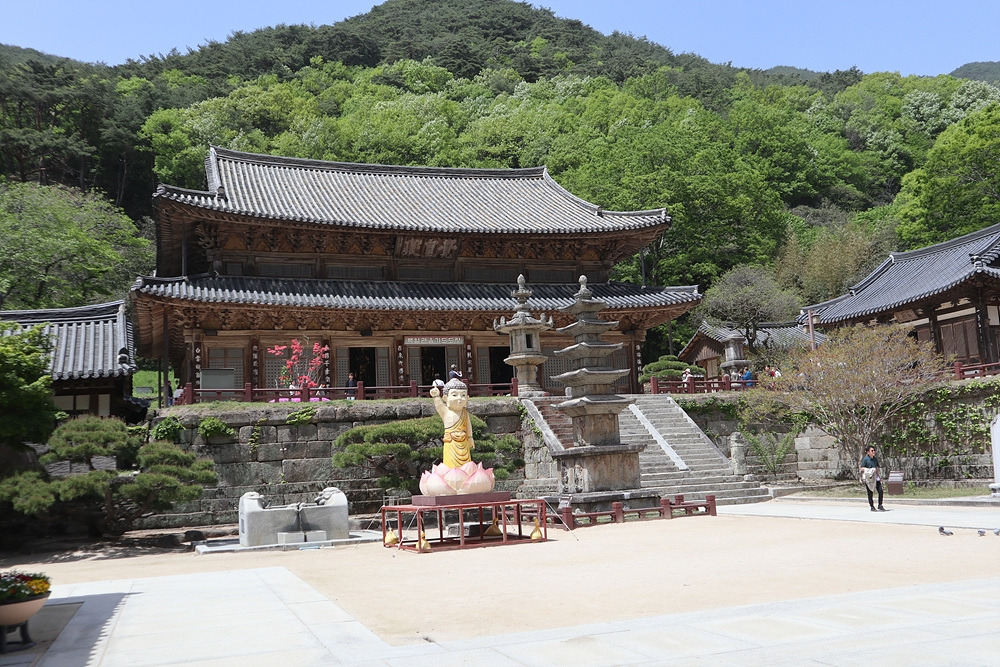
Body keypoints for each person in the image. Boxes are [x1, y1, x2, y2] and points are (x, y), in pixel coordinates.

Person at [430, 377, 475, 468]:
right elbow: (439, 406)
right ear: (445, 398)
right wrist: (435, 396)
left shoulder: (465, 413)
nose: (459, 398)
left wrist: (470, 437)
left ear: (467, 398)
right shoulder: (446, 412)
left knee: (466, 465)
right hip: (451, 442)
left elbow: (468, 426)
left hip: (464, 441)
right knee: (450, 465)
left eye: (463, 395)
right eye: (454, 395)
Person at [860, 445, 886, 512]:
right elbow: (862, 468)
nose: (873, 451)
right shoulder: (865, 459)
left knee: (880, 490)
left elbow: (877, 468)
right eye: (872, 450)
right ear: (868, 452)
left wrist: (879, 477)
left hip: (876, 477)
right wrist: (869, 470)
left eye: (874, 450)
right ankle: (872, 506)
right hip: (869, 478)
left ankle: (880, 505)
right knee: (870, 492)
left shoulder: (875, 459)